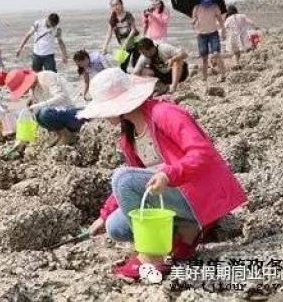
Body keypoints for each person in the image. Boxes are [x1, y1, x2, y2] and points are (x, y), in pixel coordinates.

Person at [78, 68, 247, 280]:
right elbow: (137, 178)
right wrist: (104, 215)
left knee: (122, 177)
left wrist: (169, 174)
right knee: (115, 227)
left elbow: (203, 153)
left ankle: (153, 256)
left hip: (197, 193)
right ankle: (186, 233)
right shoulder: (128, 136)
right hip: (173, 196)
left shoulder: (164, 113)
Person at [5, 68, 84, 146]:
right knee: (37, 115)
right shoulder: (32, 90)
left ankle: (67, 136)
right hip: (61, 114)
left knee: (45, 113)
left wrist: (39, 105)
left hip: (76, 112)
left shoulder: (46, 77)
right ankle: (61, 135)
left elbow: (61, 97)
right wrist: (22, 139)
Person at [192, 0, 227, 83]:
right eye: (205, 3)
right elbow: (194, 19)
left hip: (213, 33)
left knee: (216, 54)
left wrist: (223, 30)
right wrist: (193, 21)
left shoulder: (215, 6)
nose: (207, 4)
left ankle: (223, 75)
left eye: (208, 2)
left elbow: (220, 19)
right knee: (204, 57)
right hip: (201, 35)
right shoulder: (196, 7)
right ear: (201, 1)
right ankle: (204, 78)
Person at [101, 0, 140, 72]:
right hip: (124, 45)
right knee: (123, 67)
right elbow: (109, 33)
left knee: (135, 64)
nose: (115, 7)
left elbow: (133, 30)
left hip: (135, 42)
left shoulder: (128, 15)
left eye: (117, 4)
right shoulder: (113, 18)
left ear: (121, 5)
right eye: (112, 6)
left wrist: (127, 41)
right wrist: (105, 46)